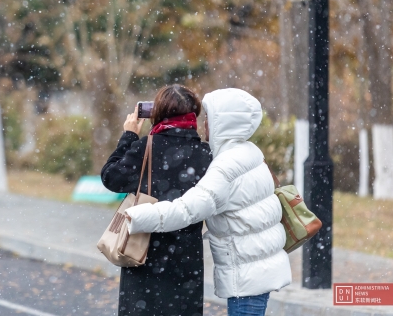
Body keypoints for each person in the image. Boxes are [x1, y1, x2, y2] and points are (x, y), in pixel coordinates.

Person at [125, 88, 292, 316]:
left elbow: (187, 210)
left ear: (223, 123)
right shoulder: (250, 152)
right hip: (258, 267)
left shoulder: (226, 166)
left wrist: (136, 217)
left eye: (209, 119)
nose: (204, 126)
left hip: (248, 275)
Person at [101, 85, 212, 316]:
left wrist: (129, 135)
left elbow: (110, 177)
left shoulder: (146, 148)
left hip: (144, 251)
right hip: (187, 258)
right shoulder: (205, 153)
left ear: (157, 113)